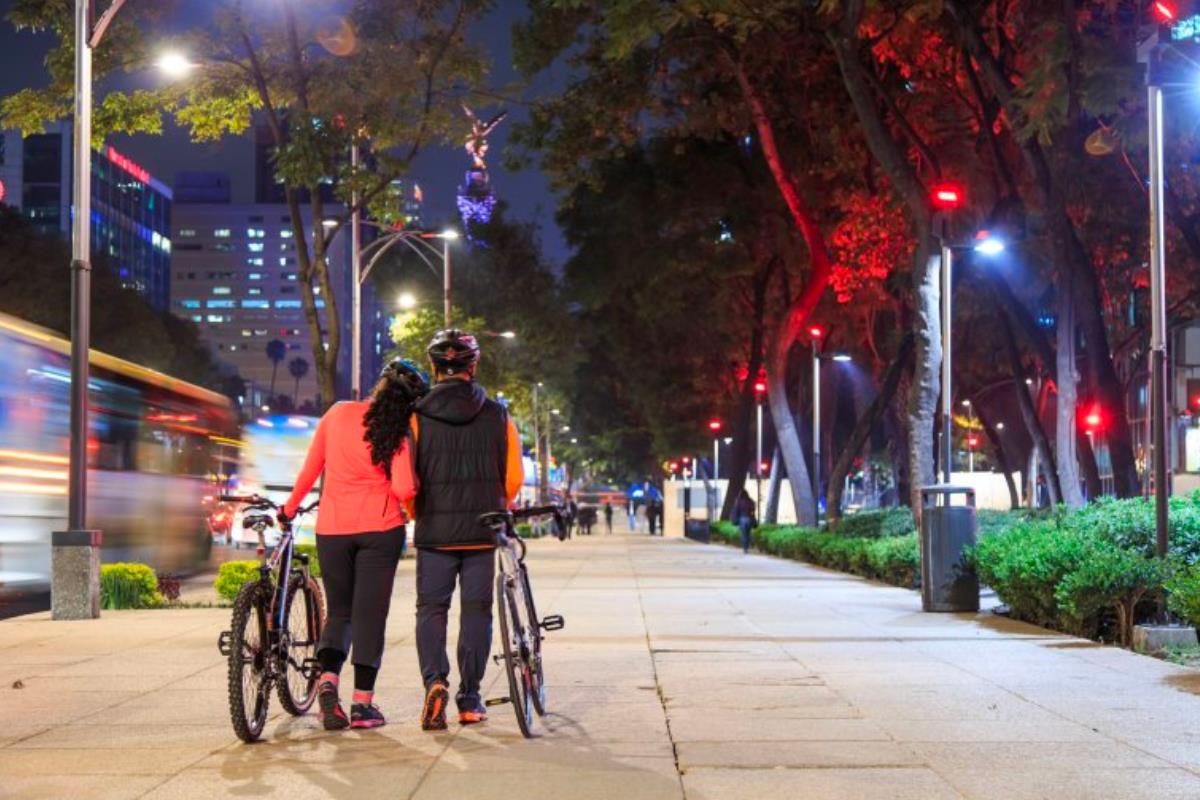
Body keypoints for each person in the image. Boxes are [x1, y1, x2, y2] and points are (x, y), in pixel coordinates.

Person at [281, 358, 428, 731]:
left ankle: (327, 682)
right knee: (370, 616)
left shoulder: (337, 413)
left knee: (340, 612)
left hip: (332, 528)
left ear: (378, 386)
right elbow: (404, 489)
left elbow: (312, 467)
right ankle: (362, 705)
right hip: (380, 530)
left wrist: (289, 508)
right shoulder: (395, 431)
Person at [412, 329, 523, 730]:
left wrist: (418, 511)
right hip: (481, 532)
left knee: (432, 609)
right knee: (477, 612)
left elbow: (409, 477)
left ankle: (435, 682)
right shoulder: (498, 415)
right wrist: (497, 505)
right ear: (473, 367)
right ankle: (470, 698)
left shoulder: (416, 414)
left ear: (434, 368)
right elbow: (513, 478)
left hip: (434, 533)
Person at [734, 489, 756, 554]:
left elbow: (736, 511)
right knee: (748, 533)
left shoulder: (738, 501)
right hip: (749, 518)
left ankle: (745, 548)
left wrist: (736, 519)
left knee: (743, 534)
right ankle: (749, 544)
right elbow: (753, 509)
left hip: (742, 519)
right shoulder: (750, 501)